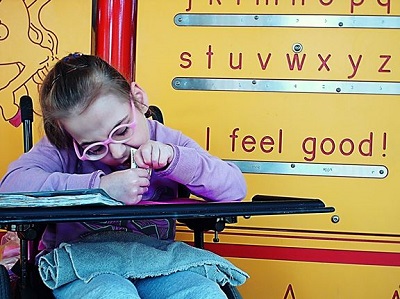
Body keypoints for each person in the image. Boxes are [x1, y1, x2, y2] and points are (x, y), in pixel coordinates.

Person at [0, 53, 247, 299]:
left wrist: (175, 160)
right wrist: (97, 187)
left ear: (137, 100)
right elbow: (10, 187)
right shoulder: (65, 148)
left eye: (121, 131)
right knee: (113, 293)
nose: (116, 152)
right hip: (81, 265)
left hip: (156, 261)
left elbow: (235, 188)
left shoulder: (167, 141)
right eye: (95, 148)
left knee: (202, 292)